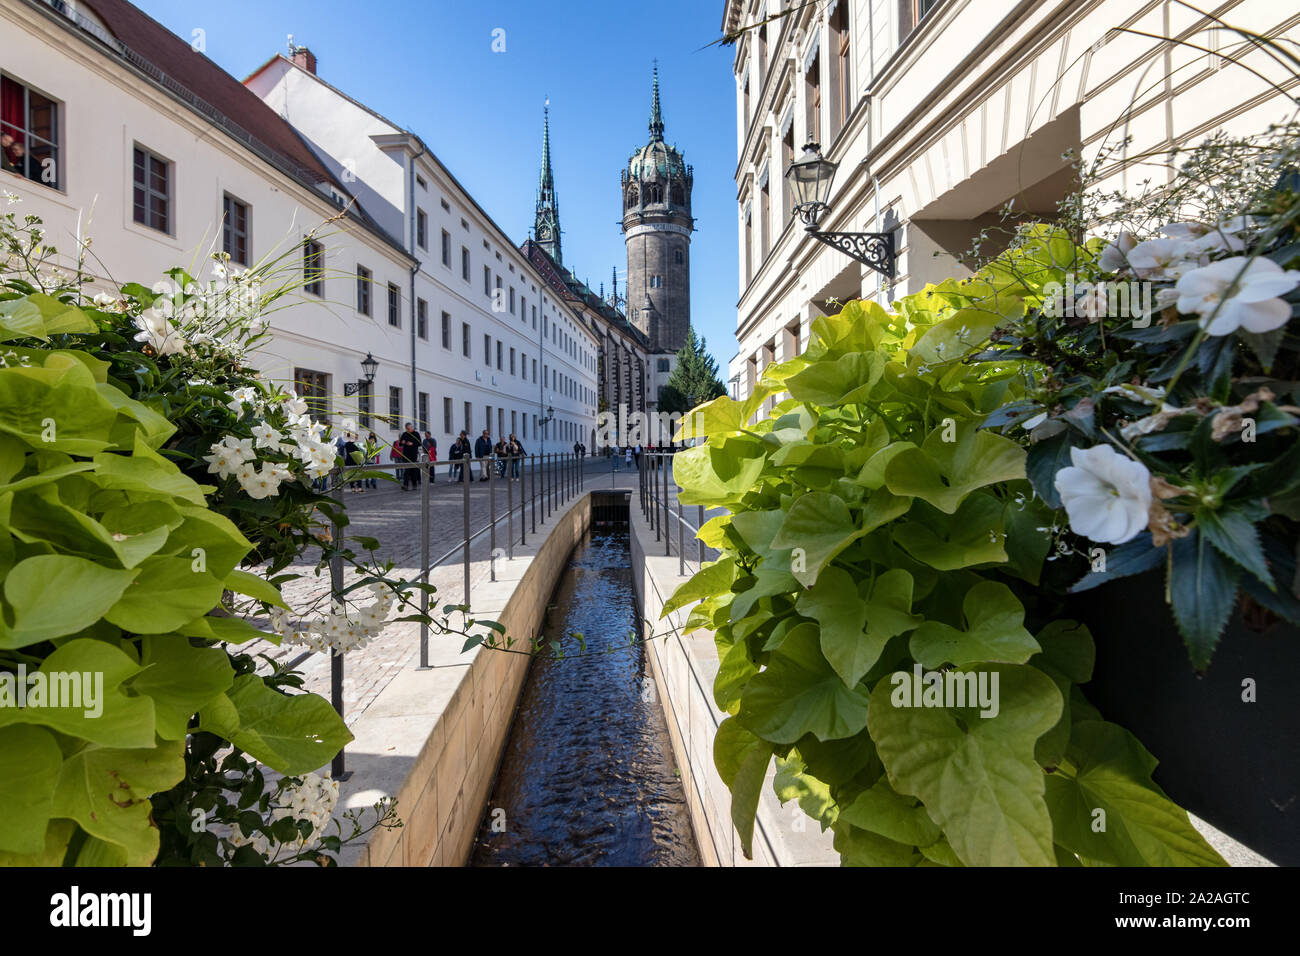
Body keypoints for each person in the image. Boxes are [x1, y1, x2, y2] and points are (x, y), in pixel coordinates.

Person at [395, 423, 424, 490]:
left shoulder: (416, 434)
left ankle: (414, 485)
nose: (409, 429)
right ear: (406, 428)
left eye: (410, 428)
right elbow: (400, 444)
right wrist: (402, 442)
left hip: (413, 455)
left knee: (413, 470)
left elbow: (419, 443)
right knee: (406, 470)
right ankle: (405, 485)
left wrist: (412, 443)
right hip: (406, 455)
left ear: (412, 427)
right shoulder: (404, 434)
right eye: (407, 428)